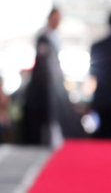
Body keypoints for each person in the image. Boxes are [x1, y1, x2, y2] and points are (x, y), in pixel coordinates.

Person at [23, 8, 82, 145]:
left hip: (53, 86)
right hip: (43, 87)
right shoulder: (43, 36)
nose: (57, 22)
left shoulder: (55, 36)